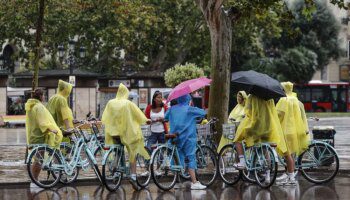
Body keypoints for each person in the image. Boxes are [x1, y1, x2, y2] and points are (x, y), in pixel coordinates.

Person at [101, 83, 150, 190]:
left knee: (118, 150)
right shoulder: (128, 103)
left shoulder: (110, 103)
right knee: (133, 151)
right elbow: (139, 115)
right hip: (126, 133)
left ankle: (116, 169)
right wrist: (147, 120)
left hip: (114, 133)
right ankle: (133, 175)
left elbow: (105, 117)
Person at [233, 94, 287, 181]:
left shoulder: (251, 97)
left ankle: (242, 162)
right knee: (265, 149)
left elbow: (248, 112)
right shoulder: (270, 98)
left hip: (255, 126)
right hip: (268, 127)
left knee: (238, 139)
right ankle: (268, 176)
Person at [164, 94, 207, 190]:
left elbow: (165, 117)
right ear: (188, 99)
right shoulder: (189, 109)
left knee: (179, 158)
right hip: (188, 137)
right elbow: (203, 113)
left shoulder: (172, 109)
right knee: (191, 158)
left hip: (175, 137)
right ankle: (194, 182)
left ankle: (178, 182)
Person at [25, 89, 62, 188]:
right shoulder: (39, 107)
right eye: (44, 95)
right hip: (39, 137)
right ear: (41, 96)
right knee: (38, 161)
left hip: (33, 135)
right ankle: (34, 182)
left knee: (37, 160)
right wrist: (51, 129)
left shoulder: (31, 106)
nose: (44, 97)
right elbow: (42, 122)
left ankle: (34, 181)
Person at [275, 82, 310, 185]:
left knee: (287, 155)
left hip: (286, 131)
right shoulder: (295, 100)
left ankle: (291, 178)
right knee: (291, 155)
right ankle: (290, 174)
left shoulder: (283, 100)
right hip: (295, 130)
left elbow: (279, 115)